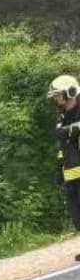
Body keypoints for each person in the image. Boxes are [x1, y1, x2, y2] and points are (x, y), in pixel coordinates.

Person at [47, 75, 80, 261]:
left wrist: (70, 129)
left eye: (58, 95)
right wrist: (59, 169)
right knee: (77, 215)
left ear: (70, 92)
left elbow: (66, 132)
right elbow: (63, 147)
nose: (56, 99)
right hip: (71, 173)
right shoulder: (61, 117)